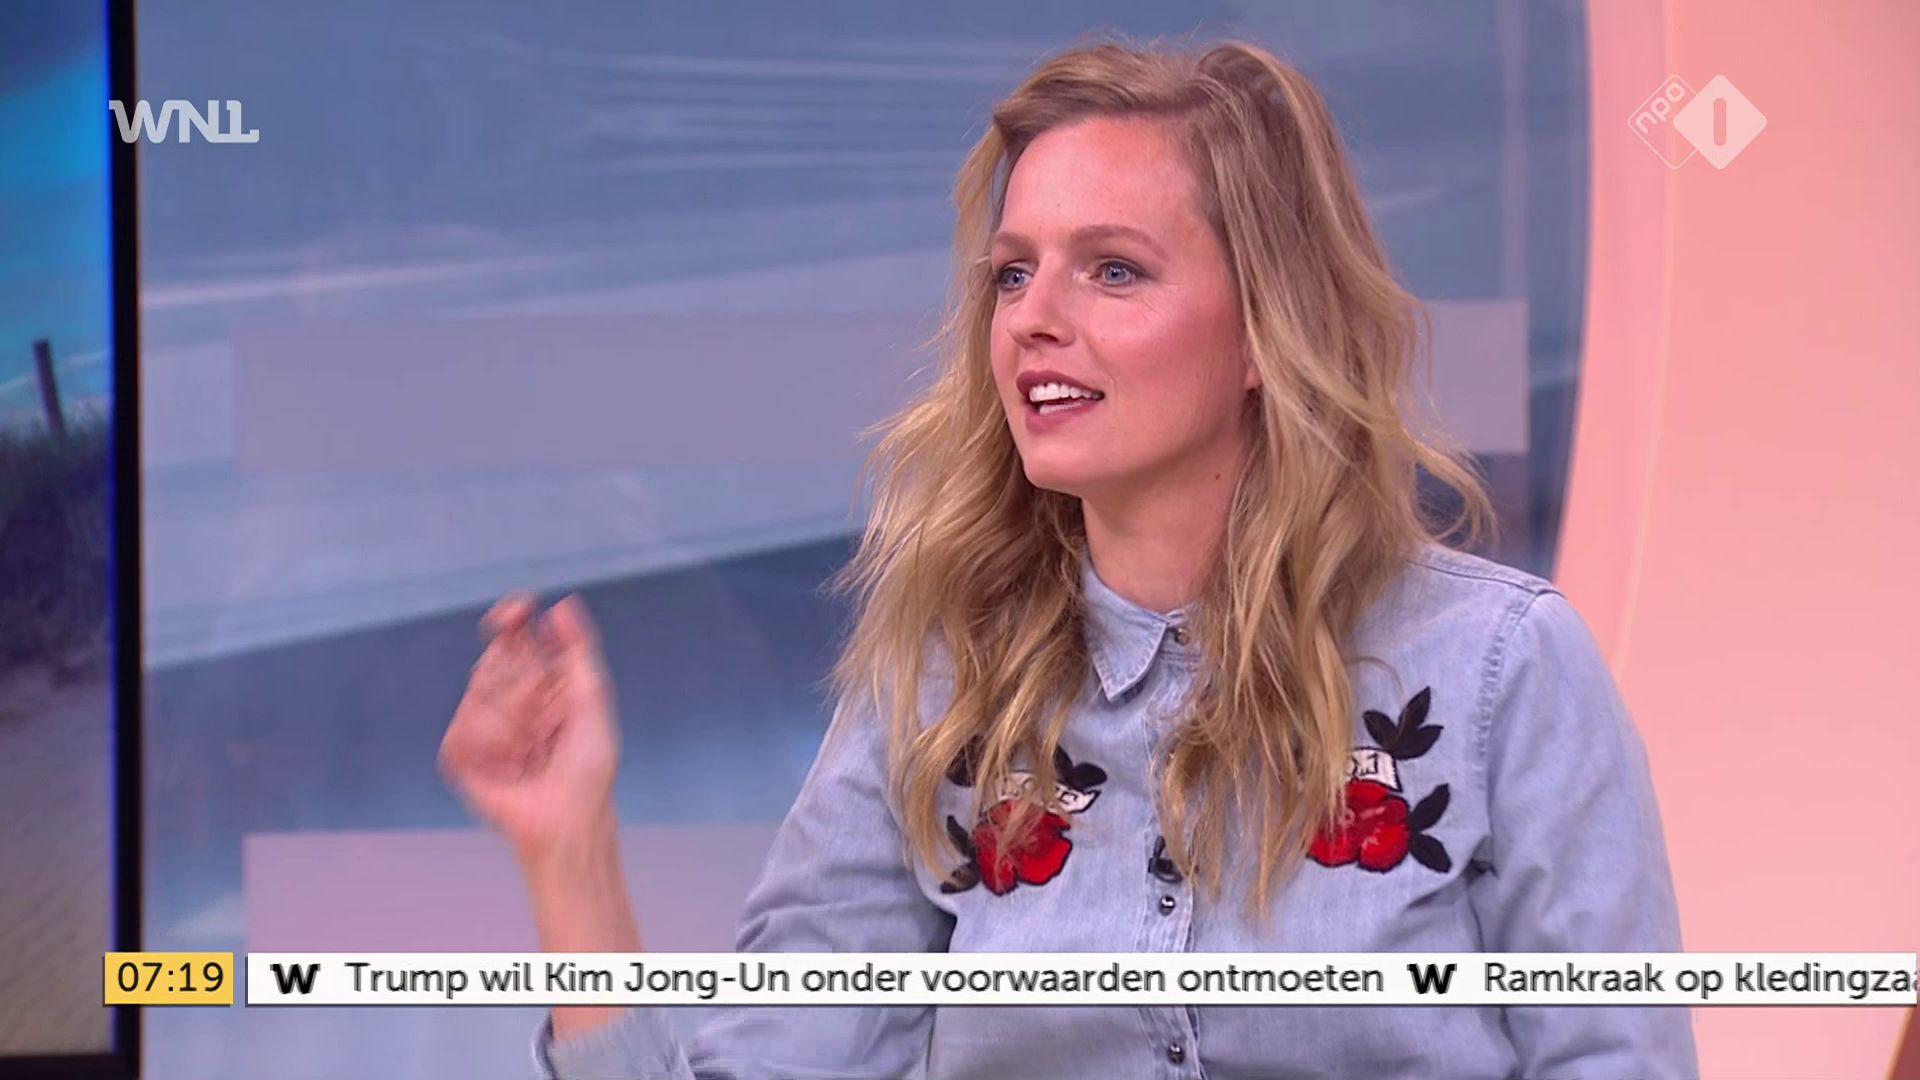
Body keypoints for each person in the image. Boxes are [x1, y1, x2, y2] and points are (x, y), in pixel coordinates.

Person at [439, 38, 1698, 1080]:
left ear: (1267, 331)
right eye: (1012, 274)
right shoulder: (939, 697)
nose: (1036, 318)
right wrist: (570, 861)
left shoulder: (1499, 671)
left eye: (1114, 270)